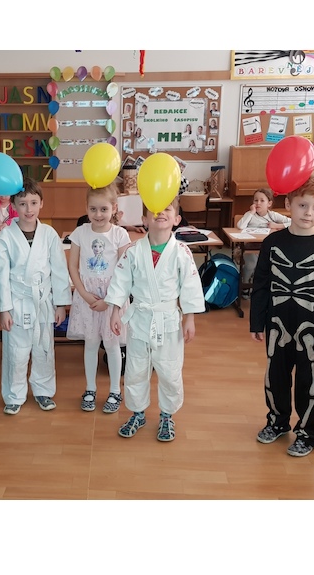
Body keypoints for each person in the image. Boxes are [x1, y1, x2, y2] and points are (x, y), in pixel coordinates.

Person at [250, 174, 314, 458]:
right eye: (303, 205)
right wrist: (257, 321)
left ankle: (308, 433)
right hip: (277, 324)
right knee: (275, 378)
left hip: (313, 330)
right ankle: (277, 421)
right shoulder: (272, 243)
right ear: (288, 204)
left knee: (309, 382)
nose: (308, 213)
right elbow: (261, 284)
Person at [105, 197, 206, 442]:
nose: (160, 213)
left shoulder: (181, 252)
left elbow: (190, 286)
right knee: (135, 369)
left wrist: (189, 318)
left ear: (177, 219)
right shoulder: (133, 251)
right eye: (154, 209)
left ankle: (167, 416)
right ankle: (138, 413)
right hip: (139, 318)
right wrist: (115, 310)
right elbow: (120, 282)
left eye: (167, 209)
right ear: (144, 219)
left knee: (169, 370)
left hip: (168, 320)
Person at [0, 178, 72, 415]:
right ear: (13, 206)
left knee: (43, 349)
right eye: (23, 204)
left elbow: (59, 270)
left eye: (33, 203)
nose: (29, 209)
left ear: (41, 204)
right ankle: (14, 395)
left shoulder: (49, 234)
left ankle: (43, 391)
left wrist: (61, 304)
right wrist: (4, 309)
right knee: (16, 352)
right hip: (17, 302)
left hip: (42, 301)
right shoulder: (5, 237)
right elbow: (1, 276)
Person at [67, 184, 131, 413]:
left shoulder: (120, 234)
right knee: (91, 344)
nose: (98, 214)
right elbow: (72, 267)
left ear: (114, 208)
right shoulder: (80, 233)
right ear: (86, 208)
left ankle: (115, 390)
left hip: (112, 300)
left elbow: (125, 271)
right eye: (93, 209)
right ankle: (90, 388)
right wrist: (84, 295)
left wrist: (109, 301)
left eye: (104, 209)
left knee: (112, 345)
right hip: (87, 299)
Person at [237, 188, 291, 286]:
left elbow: (292, 222)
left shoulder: (272, 215)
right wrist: (251, 212)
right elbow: (240, 226)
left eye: (262, 201)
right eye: (256, 200)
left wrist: (277, 225)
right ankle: (245, 284)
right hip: (251, 246)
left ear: (269, 203)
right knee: (251, 265)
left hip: (268, 247)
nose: (258, 203)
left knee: (270, 265)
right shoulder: (250, 215)